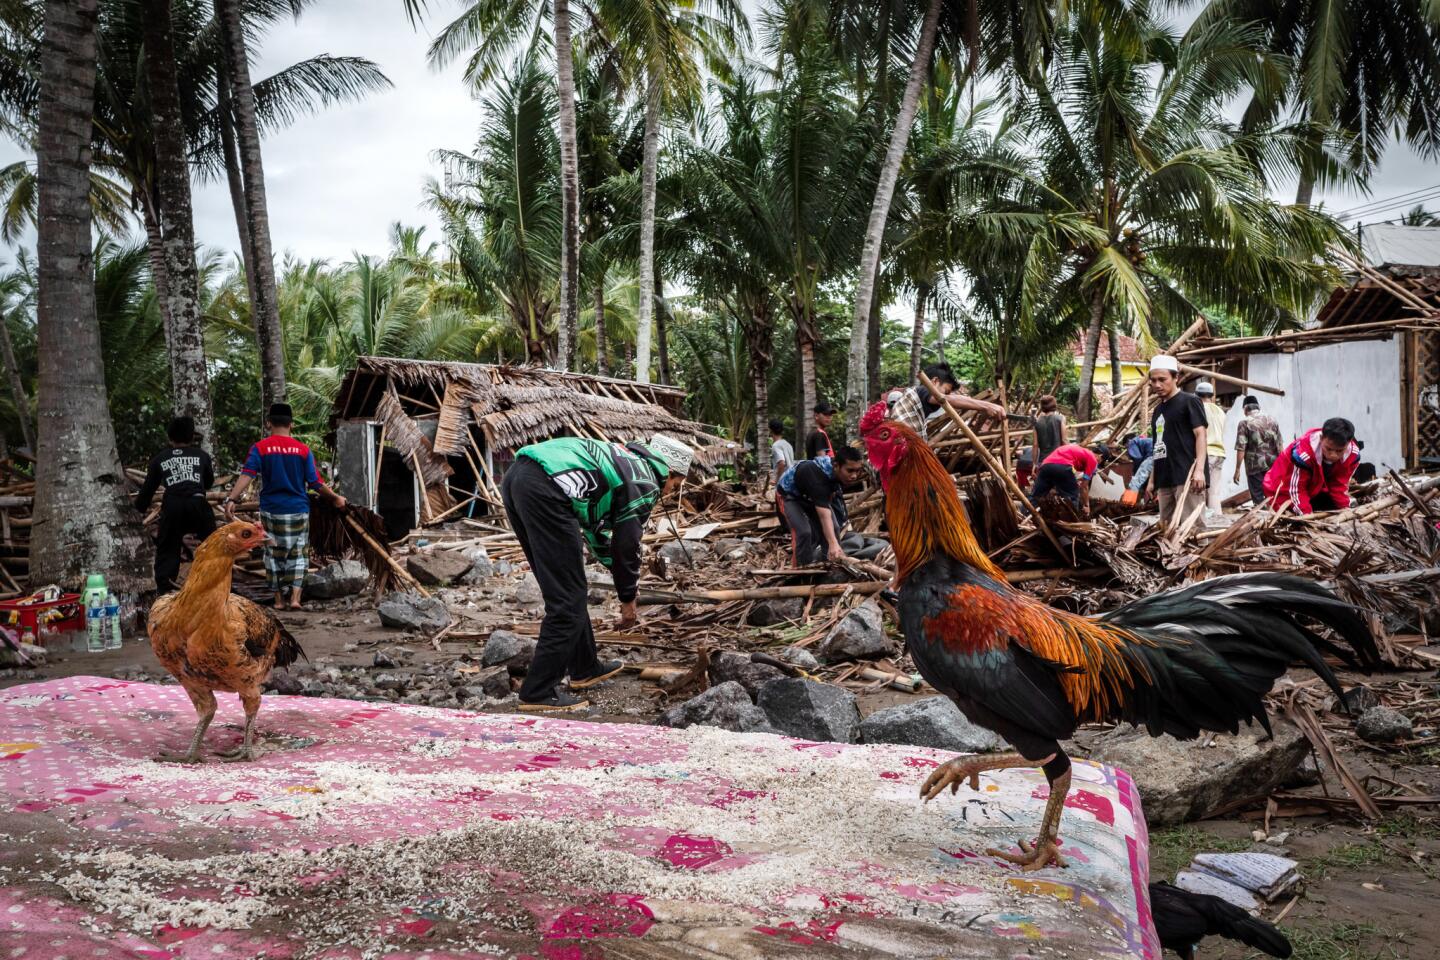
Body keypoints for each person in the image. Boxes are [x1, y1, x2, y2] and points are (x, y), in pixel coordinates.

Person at [501, 434, 692, 712]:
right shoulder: (645, 482)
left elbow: (598, 531)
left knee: (569, 590)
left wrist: (619, 575)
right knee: (567, 600)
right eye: (677, 484)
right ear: (670, 471)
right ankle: (538, 691)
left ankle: (585, 667)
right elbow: (627, 545)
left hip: (519, 477)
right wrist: (628, 599)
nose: (673, 491)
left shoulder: (627, 462)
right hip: (545, 489)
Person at [225, 404, 347, 610]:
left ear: (269, 423)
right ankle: (295, 599)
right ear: (291, 424)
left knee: (273, 554)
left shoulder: (260, 448)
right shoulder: (303, 450)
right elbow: (316, 483)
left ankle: (278, 600)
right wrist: (335, 498)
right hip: (298, 509)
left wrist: (231, 499)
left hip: (271, 510)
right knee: (298, 554)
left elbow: (247, 474)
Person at [136, 416, 216, 592]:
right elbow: (208, 483)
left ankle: (165, 591)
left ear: (170, 438)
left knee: (168, 549)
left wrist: (138, 510)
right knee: (212, 545)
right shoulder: (202, 456)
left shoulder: (160, 459)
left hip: (172, 506)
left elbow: (147, 490)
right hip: (197, 503)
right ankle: (215, 584)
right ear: (191, 437)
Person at [776, 446, 868, 566]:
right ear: (836, 466)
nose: (854, 476)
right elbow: (824, 515)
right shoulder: (817, 479)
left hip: (809, 495)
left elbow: (829, 501)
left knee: (834, 529)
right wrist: (833, 544)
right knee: (804, 532)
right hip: (789, 496)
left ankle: (830, 564)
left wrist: (833, 538)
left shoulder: (837, 475)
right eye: (850, 471)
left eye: (857, 471)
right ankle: (800, 570)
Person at [1146, 356, 1207, 531]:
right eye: (1153, 380)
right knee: (1166, 529)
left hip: (1187, 476)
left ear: (1176, 378)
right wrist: (1152, 480)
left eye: (1162, 380)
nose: (1157, 385)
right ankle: (1171, 559)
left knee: (1192, 528)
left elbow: (1201, 434)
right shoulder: (1158, 410)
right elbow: (1157, 445)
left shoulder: (1190, 401)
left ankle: (1197, 557)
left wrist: (1199, 470)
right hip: (1164, 477)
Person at [1263, 418, 1361, 515]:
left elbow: (1339, 484)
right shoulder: (1302, 454)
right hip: (1281, 489)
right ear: (1321, 438)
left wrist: (1345, 508)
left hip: (1314, 489)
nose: (1333, 455)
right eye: (1329, 449)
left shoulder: (1352, 455)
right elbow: (1296, 491)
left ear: (1349, 443)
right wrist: (1307, 515)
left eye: (1339, 451)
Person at [889, 363, 1006, 438]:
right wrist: (986, 406)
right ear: (934, 382)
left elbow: (952, 398)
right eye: (946, 391)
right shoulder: (922, 390)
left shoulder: (918, 397)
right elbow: (944, 399)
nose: (946, 396)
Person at [1030, 443, 1113, 515]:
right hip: (1062, 466)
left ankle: (1027, 515)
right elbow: (1084, 487)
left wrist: (1073, 480)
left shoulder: (1079, 451)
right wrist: (1086, 505)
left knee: (1036, 496)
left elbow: (1070, 469)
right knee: (1072, 497)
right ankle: (1072, 523)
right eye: (1101, 461)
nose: (1098, 464)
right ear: (1100, 456)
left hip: (1046, 466)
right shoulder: (1092, 458)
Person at [1232, 396, 1282, 505]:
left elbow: (1241, 447)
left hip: (1254, 466)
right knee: (1273, 495)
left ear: (1245, 409)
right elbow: (1280, 444)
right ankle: (1274, 518)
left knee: (1258, 498)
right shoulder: (1272, 420)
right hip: (1273, 464)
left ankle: (1261, 518)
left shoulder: (1244, 423)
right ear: (1258, 407)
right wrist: (1281, 465)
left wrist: (1237, 469)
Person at [1196, 381, 1228, 514]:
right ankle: (1217, 519)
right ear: (1212, 395)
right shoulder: (1221, 412)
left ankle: (1201, 520)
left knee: (1200, 491)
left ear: (1196, 395)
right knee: (1214, 492)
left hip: (1206, 453)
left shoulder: (1198, 409)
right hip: (1220, 453)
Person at [1032, 395, 1066, 466]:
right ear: (1054, 405)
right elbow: (1064, 440)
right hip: (1058, 460)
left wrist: (1034, 464)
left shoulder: (1037, 423)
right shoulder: (1060, 419)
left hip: (1043, 461)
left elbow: (1035, 445)